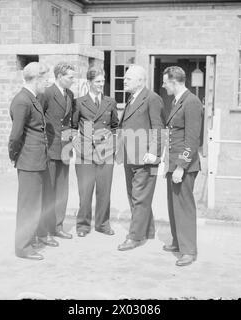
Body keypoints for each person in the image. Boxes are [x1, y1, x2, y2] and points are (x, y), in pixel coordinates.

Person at [8, 62, 58, 261]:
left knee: (35, 204)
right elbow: (15, 136)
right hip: (28, 162)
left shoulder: (33, 98)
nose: (47, 83)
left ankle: (30, 239)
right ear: (36, 79)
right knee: (28, 206)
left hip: (37, 161)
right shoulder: (22, 100)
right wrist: (16, 156)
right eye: (45, 80)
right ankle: (23, 247)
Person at [117, 64, 165, 251]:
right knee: (135, 196)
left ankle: (135, 237)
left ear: (140, 81)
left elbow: (158, 128)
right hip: (130, 156)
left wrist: (154, 152)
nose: (124, 80)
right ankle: (148, 230)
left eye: (128, 78)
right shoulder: (132, 98)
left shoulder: (152, 99)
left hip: (145, 158)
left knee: (139, 197)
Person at [161, 66, 203, 267]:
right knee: (173, 205)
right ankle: (178, 242)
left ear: (174, 82)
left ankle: (188, 251)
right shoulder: (177, 100)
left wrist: (180, 167)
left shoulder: (192, 102)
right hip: (173, 163)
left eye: (165, 82)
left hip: (183, 166)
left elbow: (193, 139)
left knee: (184, 206)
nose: (163, 85)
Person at [72, 67, 119, 237]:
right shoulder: (78, 102)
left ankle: (103, 224)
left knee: (104, 191)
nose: (101, 84)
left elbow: (115, 126)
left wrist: (111, 142)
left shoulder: (110, 102)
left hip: (105, 153)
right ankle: (83, 225)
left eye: (103, 81)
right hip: (85, 154)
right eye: (98, 81)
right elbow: (71, 127)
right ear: (89, 83)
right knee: (85, 192)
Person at [38, 62, 77, 240]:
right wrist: (43, 144)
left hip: (65, 149)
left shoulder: (70, 95)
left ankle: (58, 226)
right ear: (60, 77)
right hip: (50, 148)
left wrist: (71, 141)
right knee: (49, 190)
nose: (73, 80)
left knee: (62, 190)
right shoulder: (46, 93)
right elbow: (38, 120)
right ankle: (45, 231)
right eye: (70, 77)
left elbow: (69, 122)